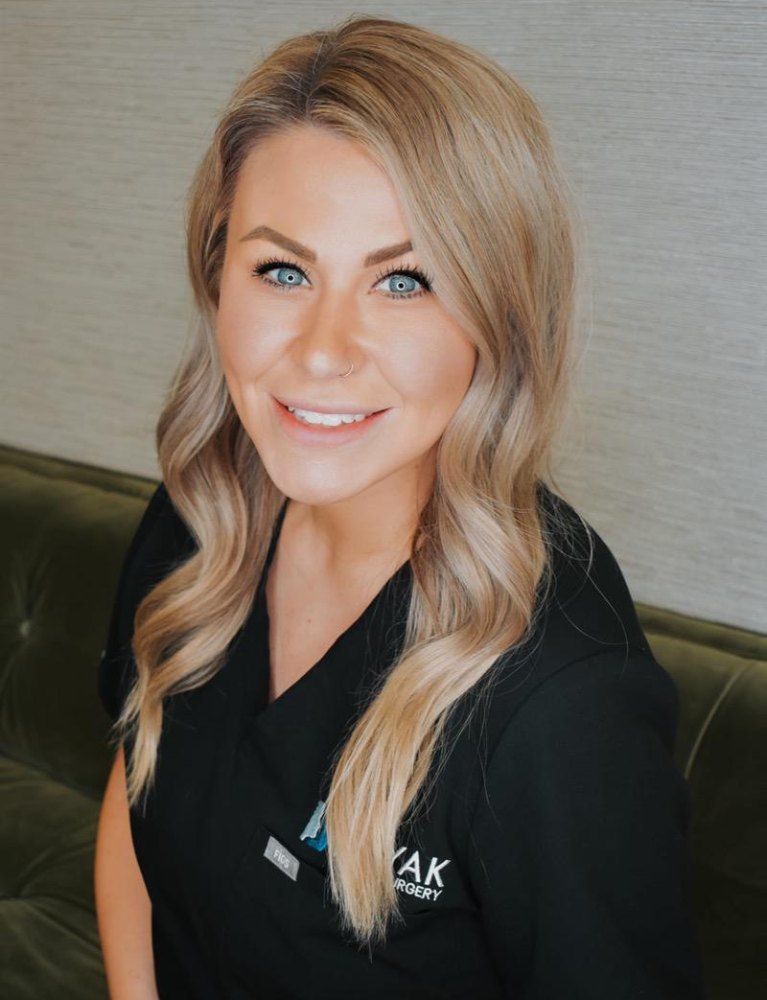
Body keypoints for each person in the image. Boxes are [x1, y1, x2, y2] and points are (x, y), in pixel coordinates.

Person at [93, 14, 707, 999]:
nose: (325, 346)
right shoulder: (200, 512)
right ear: (216, 282)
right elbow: (136, 797)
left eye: (404, 280)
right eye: (282, 270)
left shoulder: (555, 705)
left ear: (499, 320)